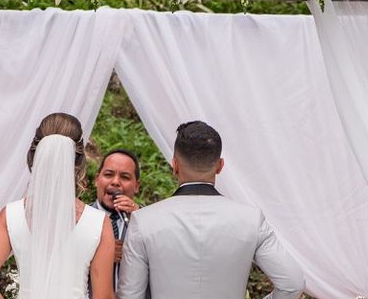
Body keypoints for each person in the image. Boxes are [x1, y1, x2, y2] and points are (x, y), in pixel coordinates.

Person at [117, 121, 305, 299]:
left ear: (174, 165)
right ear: (220, 166)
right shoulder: (251, 219)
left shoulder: (144, 221)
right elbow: (292, 284)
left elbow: (129, 296)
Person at [0, 113, 115, 299]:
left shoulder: (10, 215)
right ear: (78, 163)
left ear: (36, 155)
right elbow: (103, 297)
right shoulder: (99, 223)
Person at [92, 149, 141, 269]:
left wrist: (140, 218)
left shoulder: (149, 221)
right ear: (97, 180)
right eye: (108, 174)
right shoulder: (78, 218)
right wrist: (101, 255)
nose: (115, 182)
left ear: (136, 186)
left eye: (125, 177)